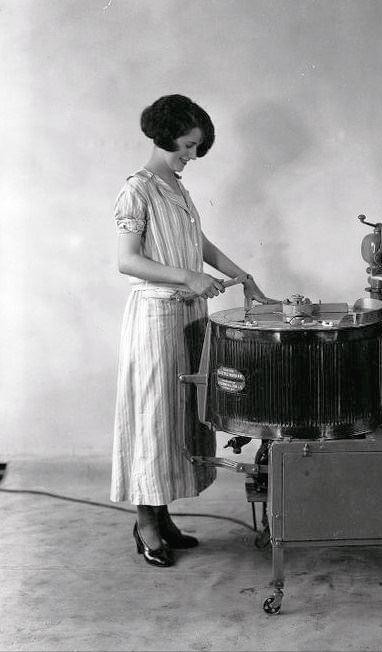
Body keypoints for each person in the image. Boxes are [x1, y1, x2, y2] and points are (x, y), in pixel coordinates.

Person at [110, 94, 273, 567]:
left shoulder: (177, 189)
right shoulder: (137, 189)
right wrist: (188, 278)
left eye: (197, 147)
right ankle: (145, 523)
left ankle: (162, 517)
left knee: (181, 416)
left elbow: (198, 244)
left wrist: (244, 277)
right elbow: (127, 261)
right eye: (187, 145)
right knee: (154, 417)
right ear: (164, 137)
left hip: (189, 317)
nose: (192, 155)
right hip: (156, 317)